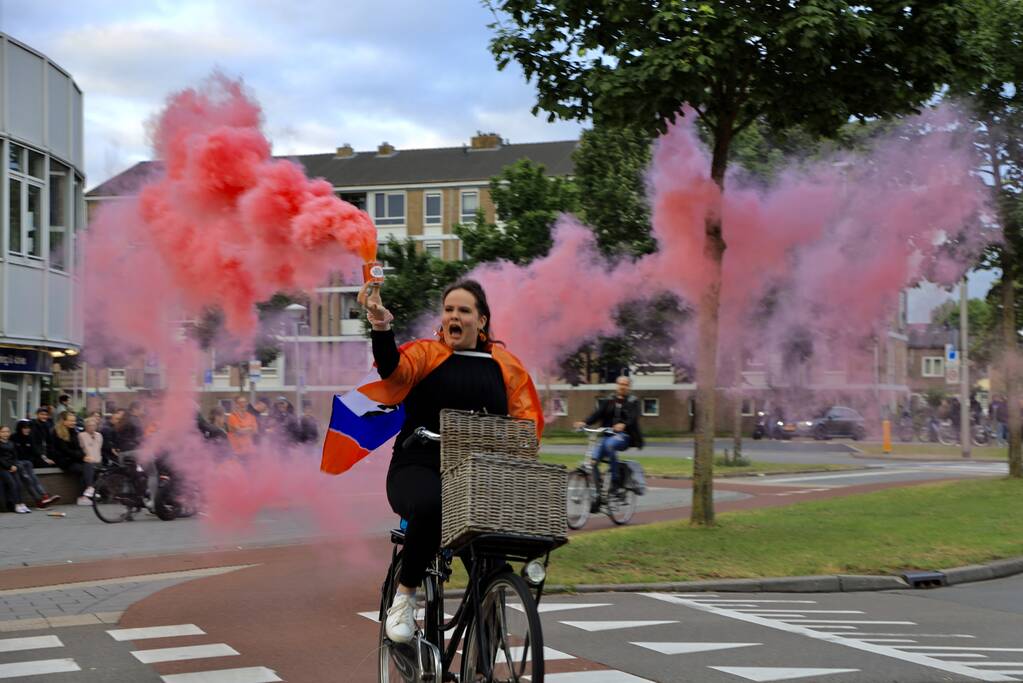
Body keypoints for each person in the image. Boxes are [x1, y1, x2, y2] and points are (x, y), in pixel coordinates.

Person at [360, 278, 543, 645]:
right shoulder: (428, 354)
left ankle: (484, 651)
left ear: (482, 321)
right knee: (433, 505)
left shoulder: (505, 365)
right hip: (418, 465)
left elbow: (528, 424)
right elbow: (394, 370)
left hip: (476, 478)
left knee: (497, 550)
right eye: (448, 310)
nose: (454, 316)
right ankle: (405, 595)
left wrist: (519, 447)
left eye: (463, 310)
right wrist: (382, 325)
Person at [574, 375, 645, 498]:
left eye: (625, 384)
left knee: (610, 445)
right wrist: (584, 422)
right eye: (620, 384)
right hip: (607, 435)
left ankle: (615, 482)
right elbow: (597, 414)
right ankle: (599, 491)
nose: (622, 386)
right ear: (617, 385)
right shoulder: (610, 400)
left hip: (624, 436)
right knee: (593, 461)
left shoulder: (633, 401)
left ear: (629, 387)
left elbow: (633, 417)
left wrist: (623, 424)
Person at [10, 421, 59, 507]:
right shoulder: (13, 437)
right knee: (27, 479)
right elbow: (11, 453)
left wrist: (45, 458)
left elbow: (36, 451)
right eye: (25, 428)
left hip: (27, 462)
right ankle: (39, 500)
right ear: (20, 428)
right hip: (17, 463)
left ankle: (45, 496)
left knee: (34, 479)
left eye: (28, 428)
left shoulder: (30, 437)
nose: (27, 430)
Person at [51, 412, 93, 505]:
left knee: (89, 464)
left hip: (74, 458)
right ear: (64, 421)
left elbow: (79, 447)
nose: (73, 423)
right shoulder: (57, 432)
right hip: (64, 460)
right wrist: (82, 457)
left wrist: (85, 456)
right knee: (82, 469)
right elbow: (65, 450)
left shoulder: (74, 431)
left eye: (74, 421)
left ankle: (88, 491)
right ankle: (84, 495)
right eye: (70, 421)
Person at [0, 426, 32, 513]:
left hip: (13, 467)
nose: (5, 434)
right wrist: (9, 467)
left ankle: (21, 504)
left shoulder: (11, 443)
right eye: (3, 432)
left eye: (7, 432)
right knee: (12, 484)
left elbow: (15, 457)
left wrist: (15, 465)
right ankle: (16, 505)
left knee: (19, 484)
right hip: (3, 469)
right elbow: (1, 459)